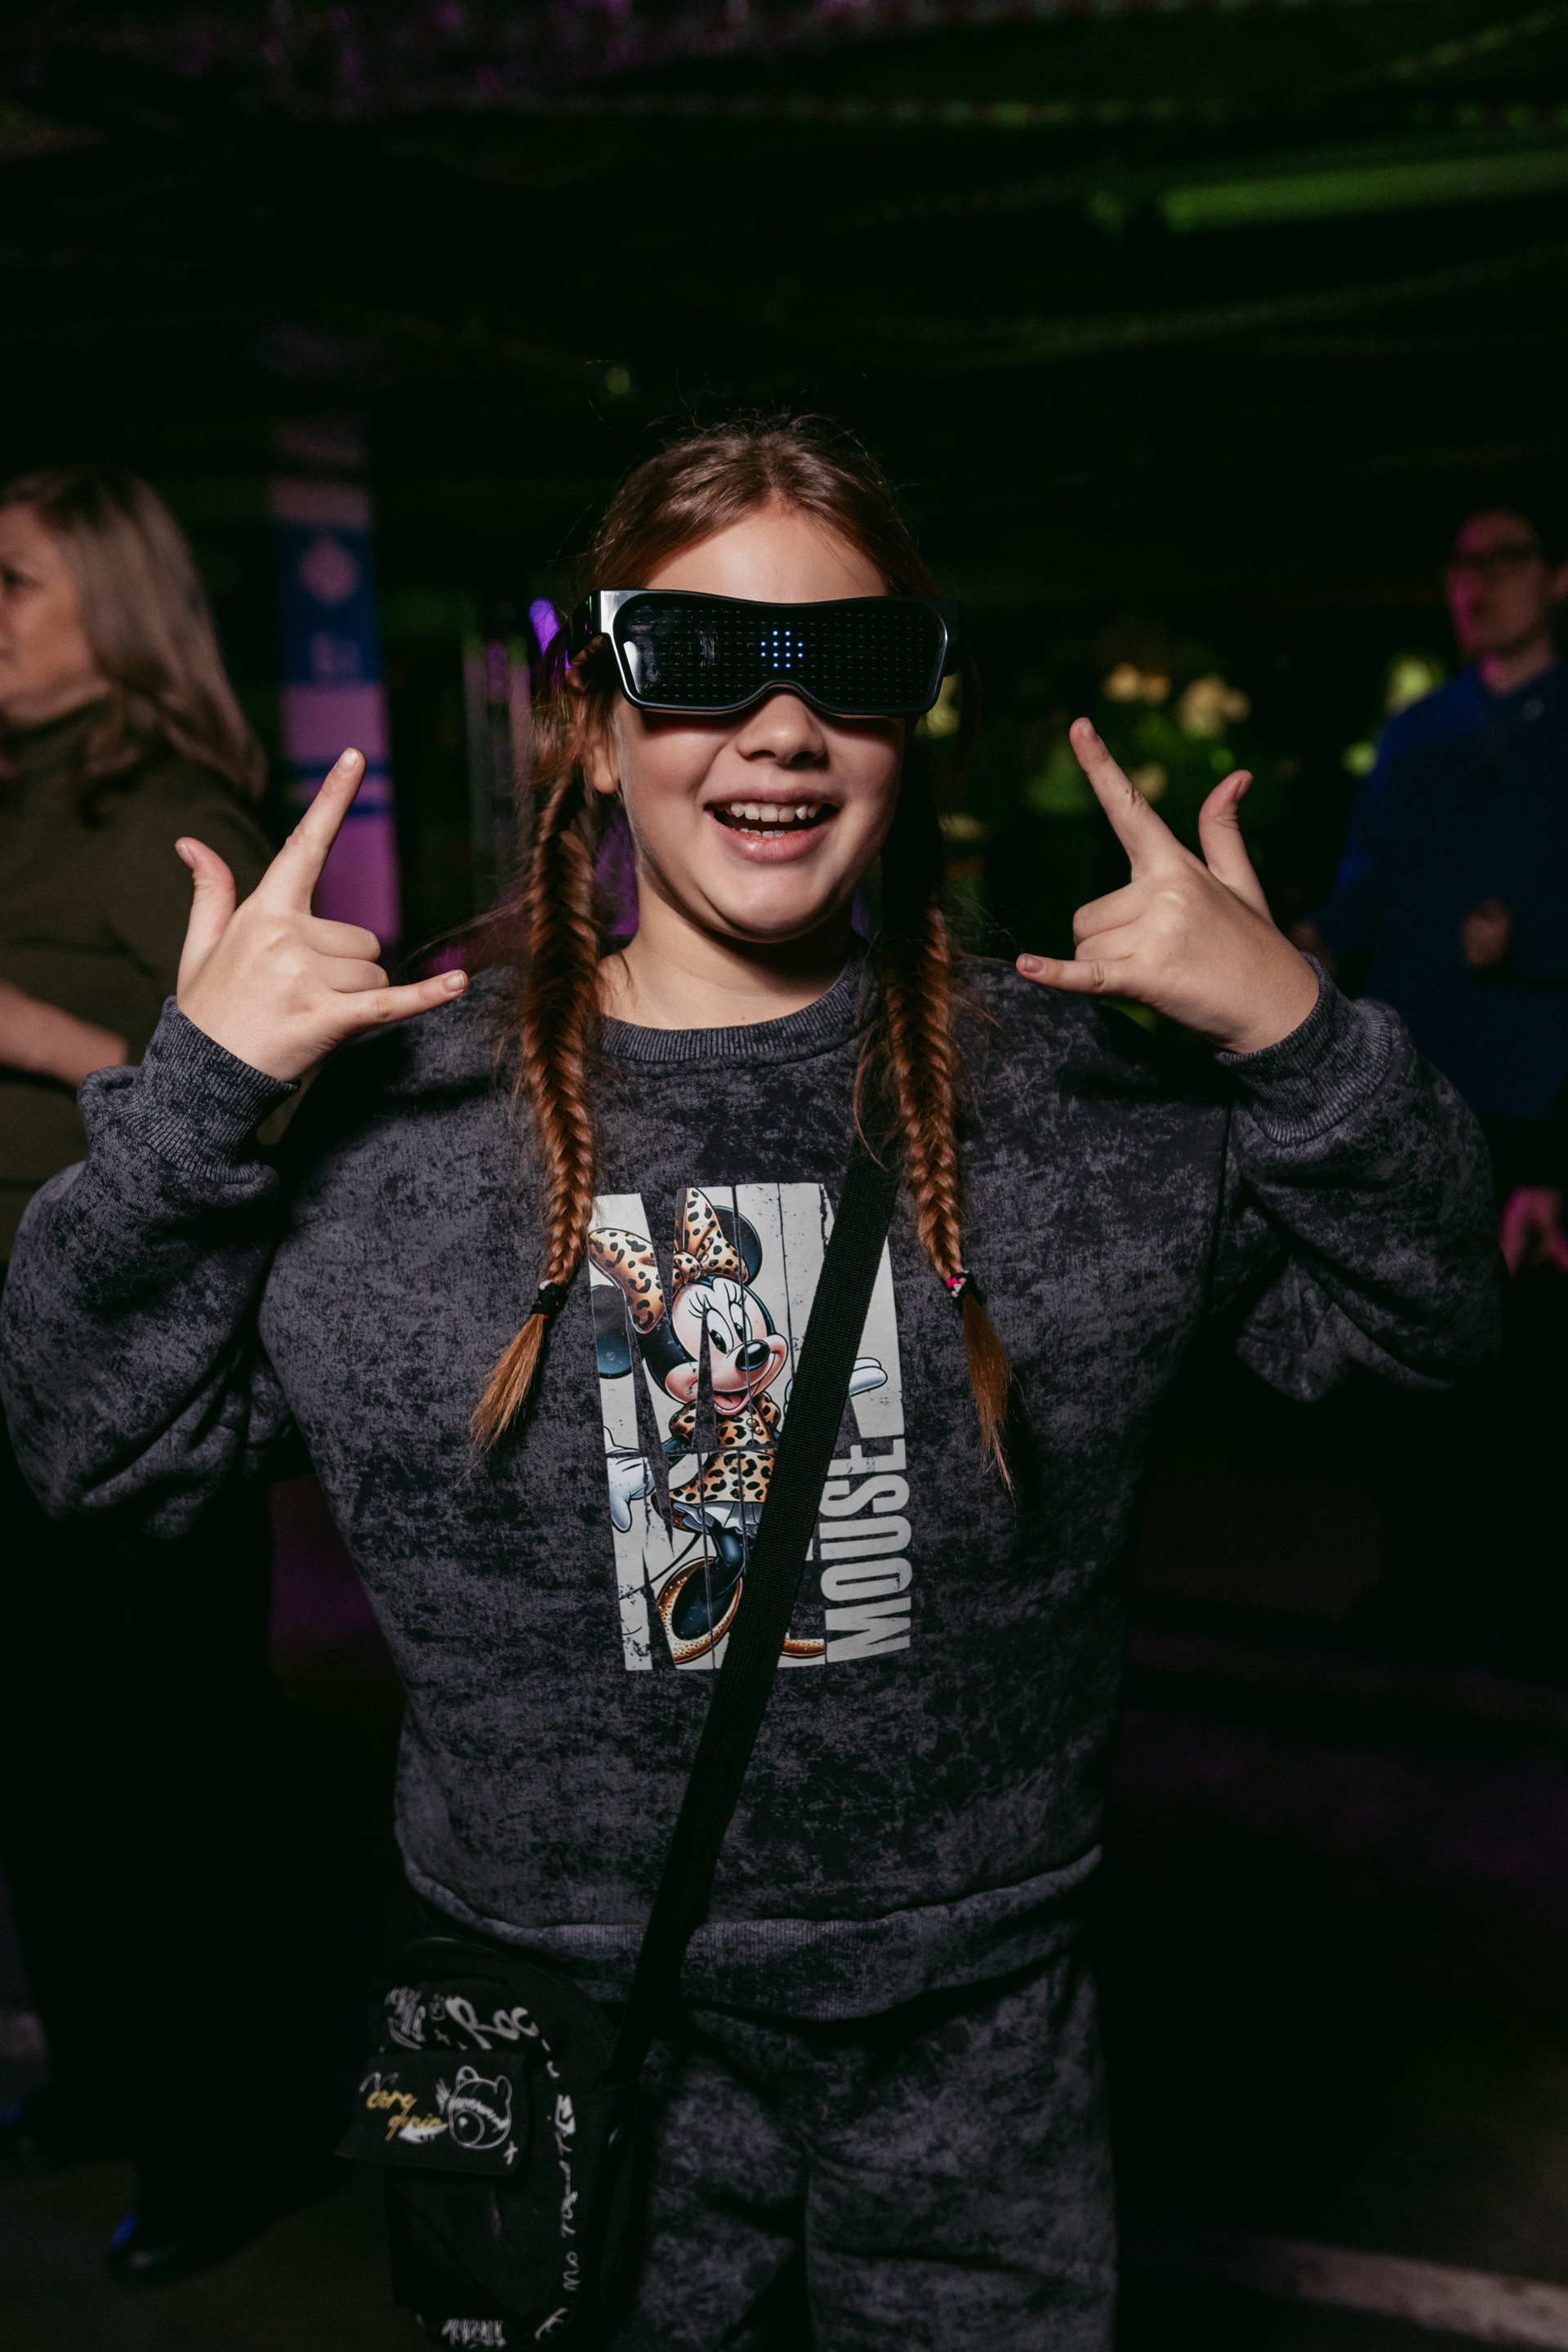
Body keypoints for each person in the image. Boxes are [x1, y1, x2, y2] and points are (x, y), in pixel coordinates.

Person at [0, 421, 1497, 2350]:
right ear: (594, 721)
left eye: (850, 667)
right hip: (540, 2012)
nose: (782, 728)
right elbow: (85, 1438)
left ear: (911, 724)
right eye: (701, 660)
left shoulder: (1082, 1100)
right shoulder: (399, 1130)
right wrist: (193, 1102)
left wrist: (1302, 1037)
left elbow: (1427, 1326)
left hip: (971, 2028)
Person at [0, 468, 334, 2282]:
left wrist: (31, 1030)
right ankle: (113, 2078)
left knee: (179, 1762)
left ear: (114, 607)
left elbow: (265, 1094)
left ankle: (235, 2140)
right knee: (50, 1746)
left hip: (144, 1364)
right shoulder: (24, 799)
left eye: (11, 581)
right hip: (15, 1342)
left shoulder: (174, 818)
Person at [1298, 506, 1568, 1664]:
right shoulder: (1419, 733)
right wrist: (1303, 947)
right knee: (1410, 1343)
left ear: (1557, 578)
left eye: (1503, 560)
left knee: (1530, 1365)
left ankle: (1531, 1603)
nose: (1476, 582)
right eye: (1462, 563)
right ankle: (1427, 1587)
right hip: (1420, 1091)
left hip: (1537, 1099)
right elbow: (1365, 892)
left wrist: (1535, 940)